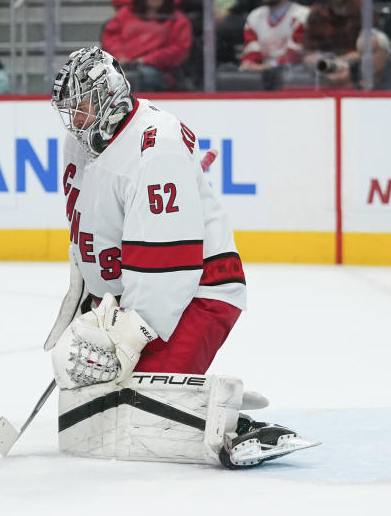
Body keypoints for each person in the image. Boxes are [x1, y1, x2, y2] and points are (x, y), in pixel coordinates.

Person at [46, 45, 317, 468]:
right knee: (90, 419)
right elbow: (86, 222)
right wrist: (84, 296)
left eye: (81, 105)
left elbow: (167, 268)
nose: (74, 118)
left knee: (131, 412)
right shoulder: (79, 141)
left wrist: (126, 340)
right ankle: (189, 395)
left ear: (109, 96)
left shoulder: (158, 147)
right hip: (130, 300)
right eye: (69, 109)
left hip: (198, 293)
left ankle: (234, 427)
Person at [101, 0, 192, 91]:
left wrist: (147, 60)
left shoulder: (178, 20)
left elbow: (178, 50)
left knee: (142, 76)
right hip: (122, 64)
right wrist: (119, 55)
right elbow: (110, 36)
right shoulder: (127, 13)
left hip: (158, 71)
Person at [240, 0, 309, 70]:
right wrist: (248, 63)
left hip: (292, 71)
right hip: (262, 69)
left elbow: (294, 55)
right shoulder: (255, 16)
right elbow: (252, 47)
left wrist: (266, 67)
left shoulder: (301, 15)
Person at [302, 0, 362, 83]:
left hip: (355, 64)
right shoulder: (317, 13)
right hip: (324, 65)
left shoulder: (362, 11)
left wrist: (341, 61)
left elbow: (369, 50)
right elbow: (309, 50)